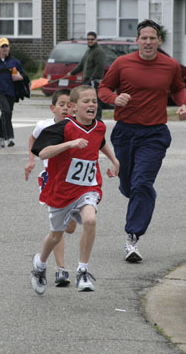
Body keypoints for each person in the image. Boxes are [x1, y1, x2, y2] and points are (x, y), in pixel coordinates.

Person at [98, 19, 186, 263]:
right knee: (130, 186)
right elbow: (103, 88)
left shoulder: (170, 65)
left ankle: (133, 237)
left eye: (153, 38)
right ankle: (139, 194)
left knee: (141, 184)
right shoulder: (122, 63)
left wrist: (182, 104)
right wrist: (114, 99)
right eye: (144, 38)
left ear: (159, 41)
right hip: (126, 132)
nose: (148, 42)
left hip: (154, 134)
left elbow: (178, 88)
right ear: (137, 41)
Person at [30, 85, 119, 295]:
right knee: (56, 235)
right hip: (61, 191)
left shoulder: (99, 126)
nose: (91, 105)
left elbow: (100, 142)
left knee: (90, 220)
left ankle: (83, 271)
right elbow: (43, 153)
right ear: (73, 106)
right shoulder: (62, 128)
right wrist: (69, 144)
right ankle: (40, 266)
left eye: (94, 101)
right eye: (86, 101)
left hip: (88, 186)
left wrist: (115, 161)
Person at [25, 89, 77, 287]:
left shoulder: (77, 126)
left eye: (68, 105)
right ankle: (61, 269)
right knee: (59, 227)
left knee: (70, 227)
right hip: (51, 181)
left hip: (73, 182)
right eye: (61, 104)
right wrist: (31, 161)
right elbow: (32, 139)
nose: (65, 108)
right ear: (52, 108)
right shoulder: (44, 126)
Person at [65, 31, 105, 119]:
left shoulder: (99, 51)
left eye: (92, 39)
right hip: (87, 80)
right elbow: (81, 65)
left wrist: (93, 78)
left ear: (96, 40)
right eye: (88, 39)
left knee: (94, 101)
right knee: (85, 100)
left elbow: (100, 67)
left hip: (94, 81)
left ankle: (97, 119)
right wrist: (71, 73)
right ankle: (87, 118)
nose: (90, 41)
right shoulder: (88, 51)